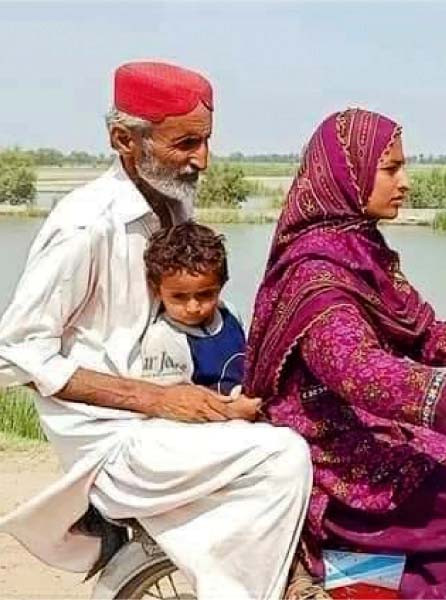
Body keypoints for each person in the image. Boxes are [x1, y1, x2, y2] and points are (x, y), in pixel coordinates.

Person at [0, 61, 311, 599]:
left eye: (206, 141)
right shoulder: (86, 225)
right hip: (113, 437)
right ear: (124, 139)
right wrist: (159, 399)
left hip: (165, 419)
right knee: (283, 457)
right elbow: (15, 353)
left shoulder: (174, 201)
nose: (203, 160)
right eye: (185, 143)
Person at [244, 108, 446, 599]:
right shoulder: (317, 273)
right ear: (348, 174)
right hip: (335, 456)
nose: (405, 182)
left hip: (362, 428)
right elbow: (362, 371)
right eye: (391, 169)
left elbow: (425, 336)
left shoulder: (358, 249)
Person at [141, 221, 245, 395]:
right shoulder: (164, 338)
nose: (193, 308)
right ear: (156, 290)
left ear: (222, 284)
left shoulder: (229, 314)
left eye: (205, 295)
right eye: (179, 297)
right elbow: (172, 401)